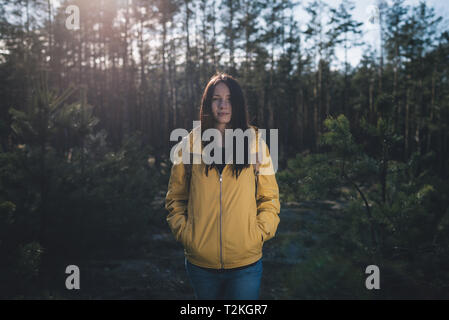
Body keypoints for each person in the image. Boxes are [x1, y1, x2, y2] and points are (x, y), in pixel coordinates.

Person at [165, 72, 280, 300]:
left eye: (229, 99)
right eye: (217, 98)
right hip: (201, 264)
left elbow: (269, 197)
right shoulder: (188, 145)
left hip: (245, 263)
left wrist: (257, 234)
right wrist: (187, 234)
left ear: (237, 104)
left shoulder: (257, 143)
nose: (223, 105)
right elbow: (176, 198)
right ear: (208, 103)